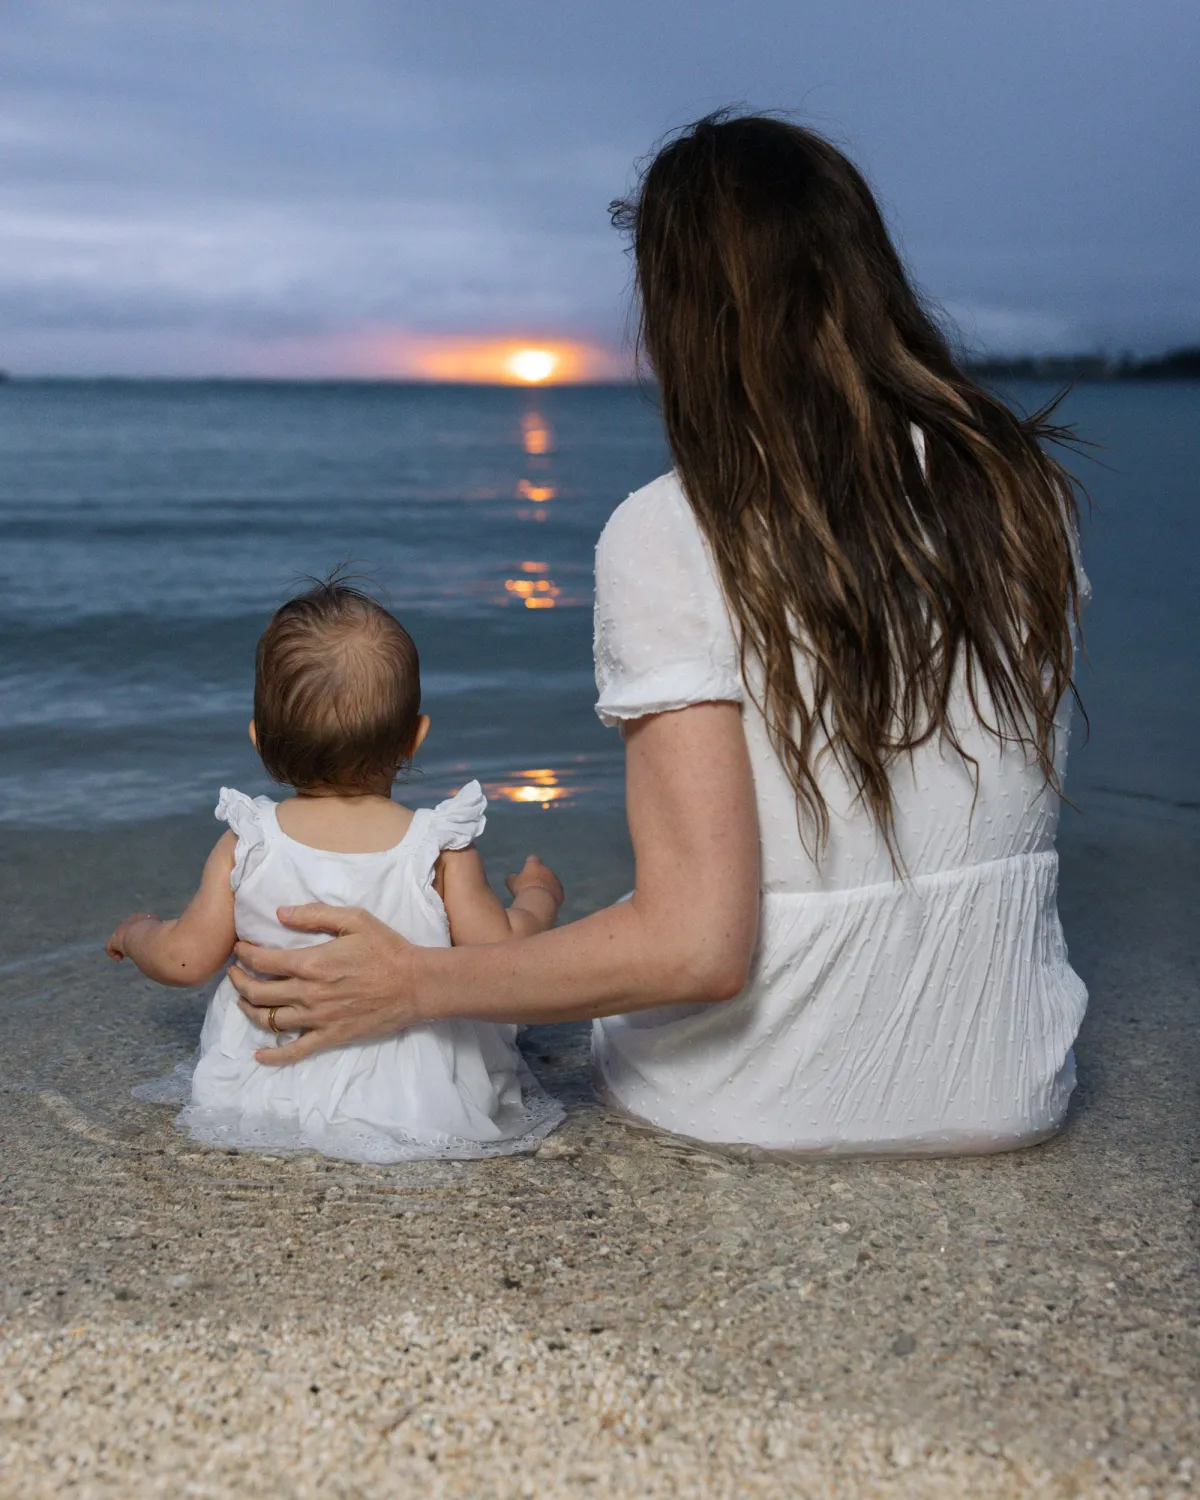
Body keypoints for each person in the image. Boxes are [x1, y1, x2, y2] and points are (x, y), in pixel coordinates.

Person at [229, 113, 1089, 1157]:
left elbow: (697, 952)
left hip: (757, 1101)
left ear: (690, 315)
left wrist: (415, 983)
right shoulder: (1026, 494)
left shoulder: (675, 532)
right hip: (1012, 1086)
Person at [107, 578, 565, 1162]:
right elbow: (504, 960)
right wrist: (536, 896)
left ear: (258, 741)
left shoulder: (249, 841)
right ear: (415, 738)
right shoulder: (437, 847)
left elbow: (183, 958)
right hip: (418, 1102)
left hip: (263, 1088)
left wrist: (136, 930)